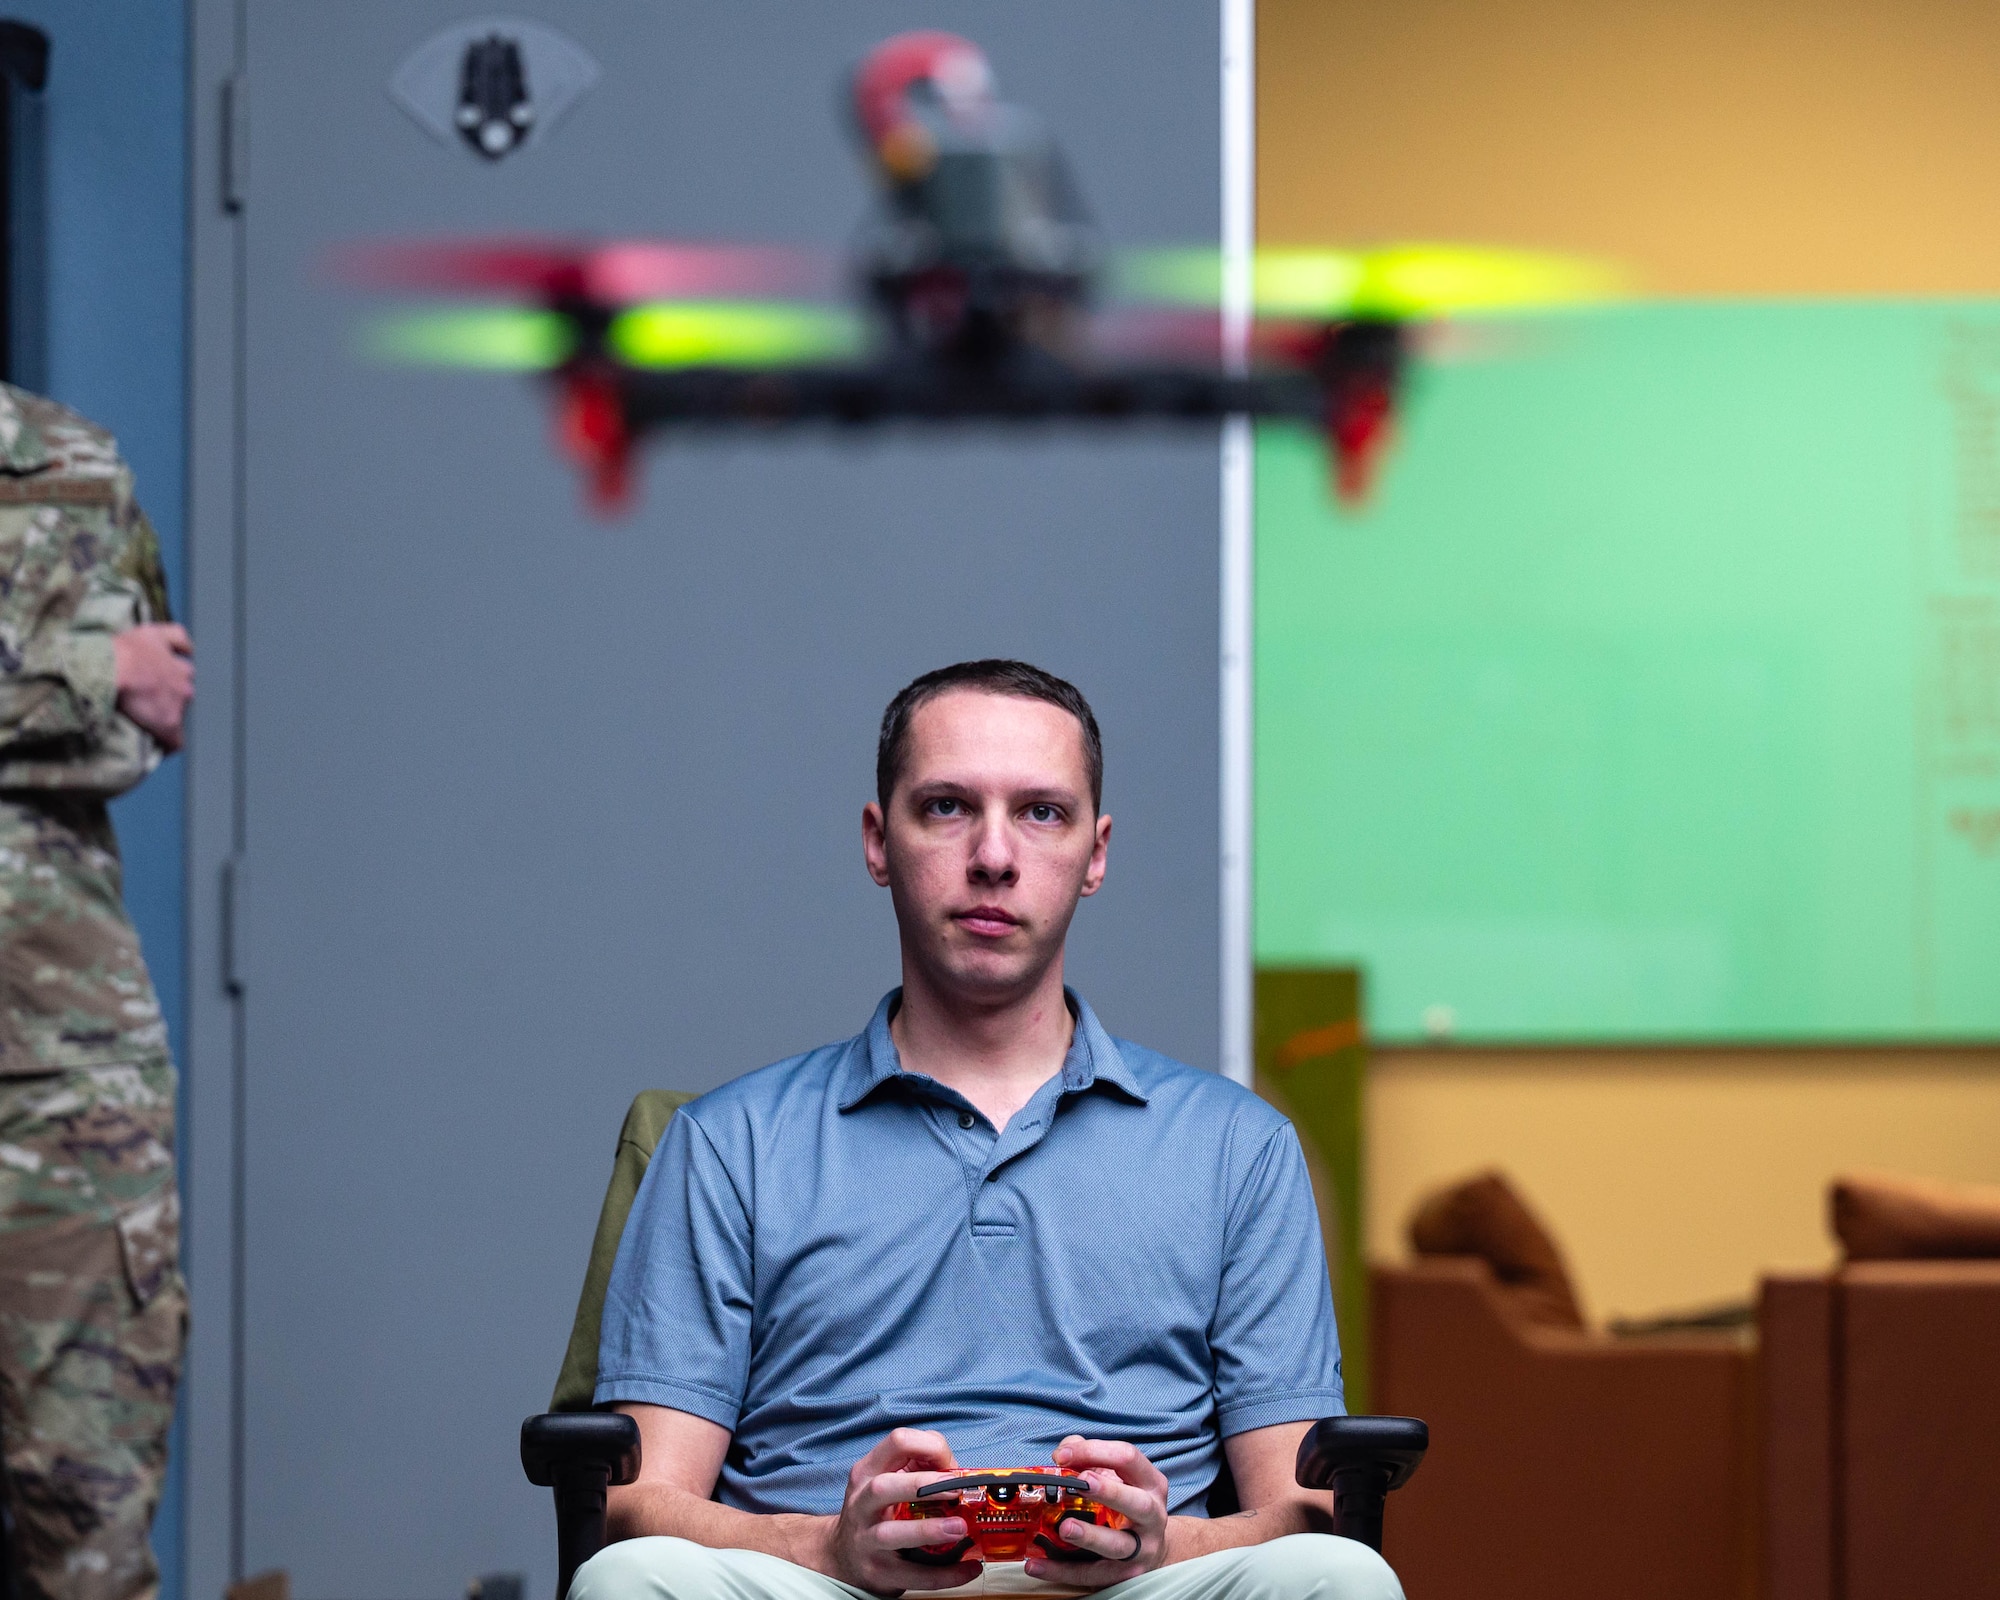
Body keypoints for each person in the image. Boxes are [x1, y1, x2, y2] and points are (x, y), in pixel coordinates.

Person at [575, 660, 1399, 1600]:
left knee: (1339, 1576)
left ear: (1097, 852)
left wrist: (1158, 1546)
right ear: (878, 841)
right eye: (948, 807)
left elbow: (1306, 1510)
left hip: (1139, 1589)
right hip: (828, 1586)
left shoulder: (1238, 1149)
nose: (995, 856)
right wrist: (831, 1547)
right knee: (630, 1579)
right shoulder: (728, 1144)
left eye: (1042, 812)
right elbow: (637, 1504)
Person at [0, 383, 193, 1600]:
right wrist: (80, 667)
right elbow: (107, 687)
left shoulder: (64, 456)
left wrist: (97, 686)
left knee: (90, 1541)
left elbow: (150, 708)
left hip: (62, 1079)